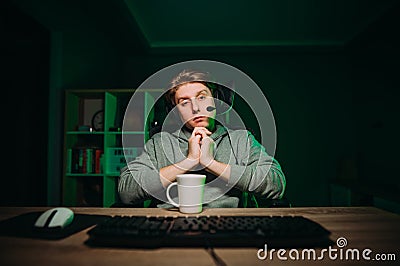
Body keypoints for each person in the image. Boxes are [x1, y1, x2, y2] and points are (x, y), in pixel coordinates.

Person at [118, 70, 286, 208]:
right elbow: (126, 192)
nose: (196, 108)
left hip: (229, 227)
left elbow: (276, 185)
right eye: (184, 102)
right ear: (176, 111)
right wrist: (188, 162)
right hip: (169, 227)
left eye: (202, 97)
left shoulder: (241, 140)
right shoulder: (159, 143)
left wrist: (210, 163)